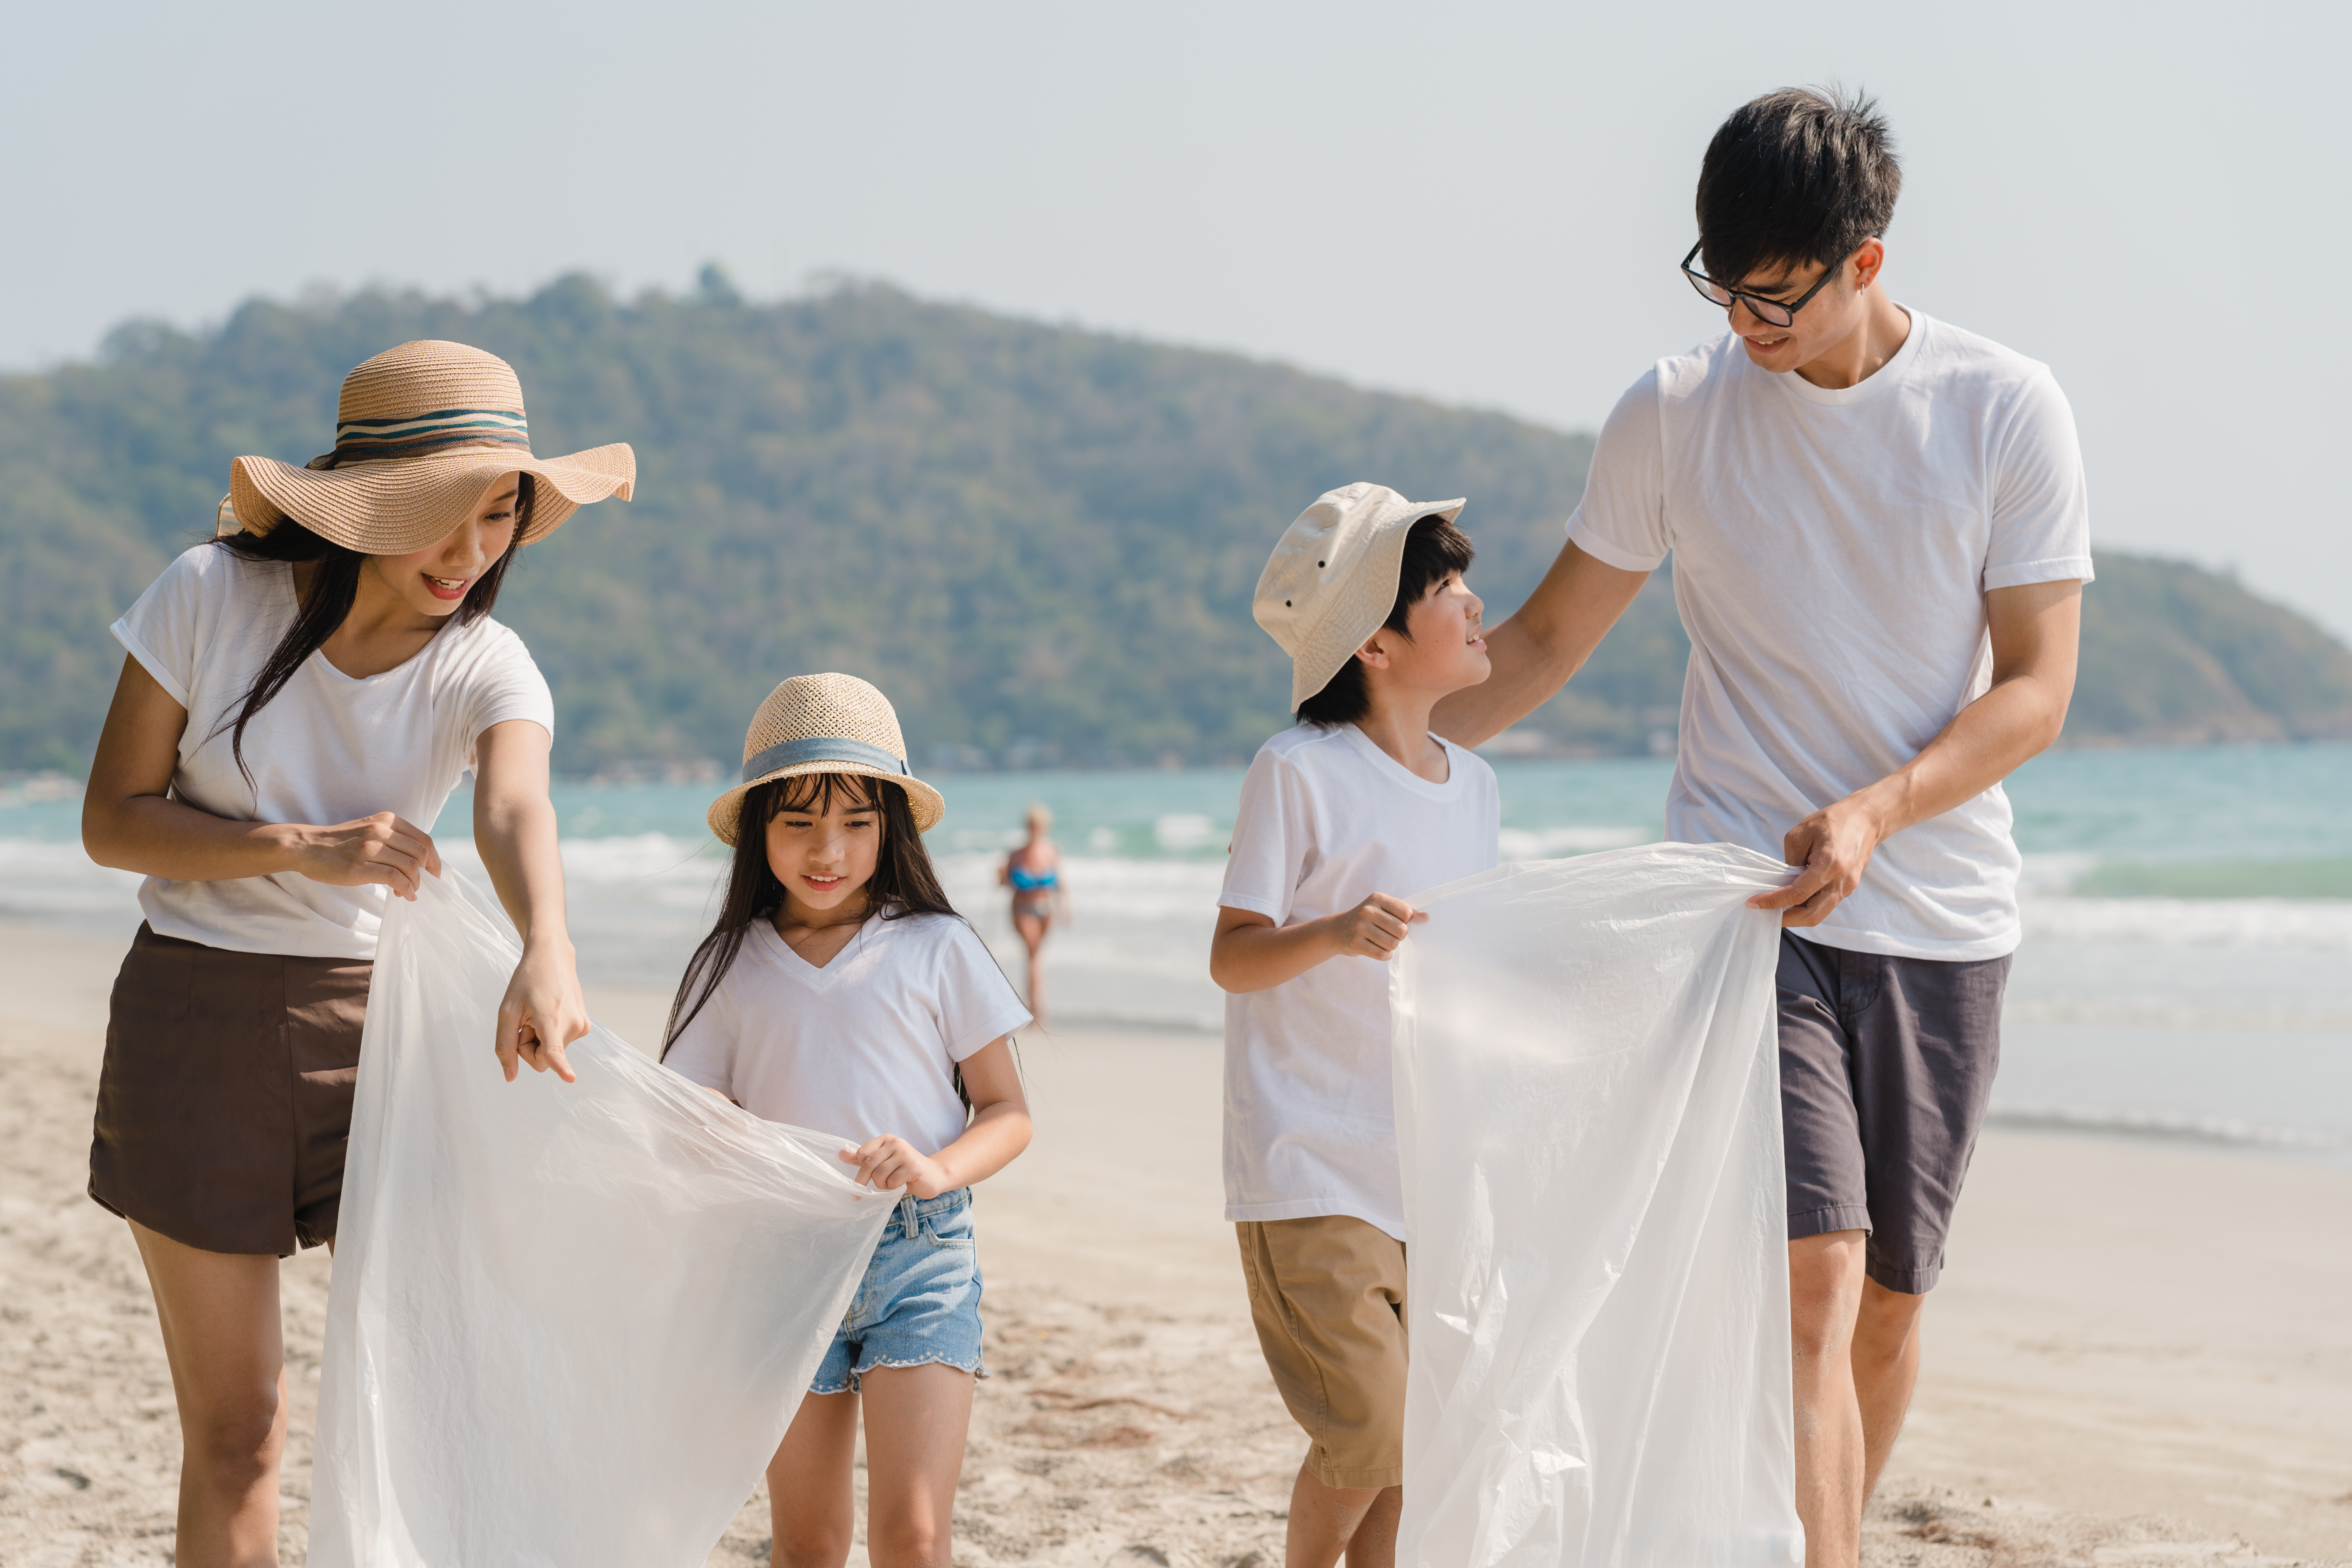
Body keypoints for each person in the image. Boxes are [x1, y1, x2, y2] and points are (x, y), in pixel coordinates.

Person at [1431, 89, 2090, 1566]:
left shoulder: (2002, 407)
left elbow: (2038, 692)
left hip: (1937, 918)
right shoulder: (1670, 413)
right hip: (1739, 907)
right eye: (1720, 285)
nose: (1744, 322)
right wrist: (1350, 745)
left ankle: (1801, 1526)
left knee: (1890, 1303)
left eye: (1776, 294)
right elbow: (1536, 648)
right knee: (1811, 1275)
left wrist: (1876, 807)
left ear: (1865, 260)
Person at [78, 339, 635, 1565]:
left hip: (387, 1036)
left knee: (441, 1402)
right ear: (360, 507)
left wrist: (547, 942)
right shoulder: (208, 594)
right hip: (194, 1024)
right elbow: (112, 818)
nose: (469, 554)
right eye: (439, 518)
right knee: (242, 1432)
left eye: (500, 516)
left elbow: (511, 807)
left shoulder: (486, 662)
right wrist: (295, 844)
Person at [661, 672, 1034, 1568]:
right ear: (760, 831)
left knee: (912, 1536)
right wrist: (718, 1128)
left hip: (922, 1257)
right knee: (809, 1542)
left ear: (891, 828)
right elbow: (686, 1108)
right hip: (783, 1265)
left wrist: (938, 1168)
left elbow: (1007, 1109)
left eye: (856, 823)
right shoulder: (730, 963)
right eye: (799, 823)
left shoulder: (937, 945)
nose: (828, 848)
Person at [1209, 483, 1499, 1568]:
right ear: (1376, 642)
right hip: (1310, 1162)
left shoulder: (1475, 787)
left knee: (1414, 1443)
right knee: (1369, 1428)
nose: (1476, 607)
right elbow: (1232, 956)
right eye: (1449, 591)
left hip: (1426, 1166)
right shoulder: (1296, 773)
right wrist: (1333, 932)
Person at [998, 801, 1065, 1016]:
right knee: (1034, 952)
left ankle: (1034, 1001)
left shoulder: (1052, 851)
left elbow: (1061, 883)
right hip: (1022, 908)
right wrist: (1000, 876)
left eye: (1040, 825)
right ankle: (1036, 1003)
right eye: (1032, 825)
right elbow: (1005, 883)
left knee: (1036, 954)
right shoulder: (1016, 854)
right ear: (1027, 826)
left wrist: (1065, 907)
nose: (1036, 829)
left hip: (1046, 908)